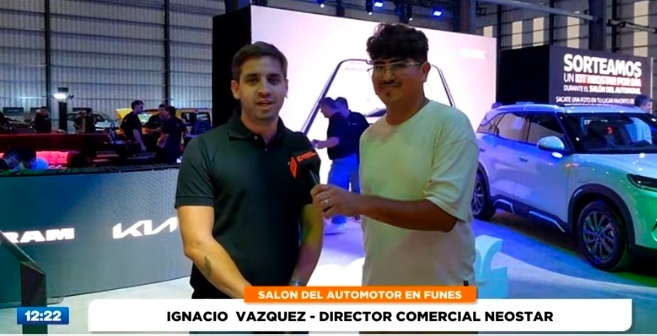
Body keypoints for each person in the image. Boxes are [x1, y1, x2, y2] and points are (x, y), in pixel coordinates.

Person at [310, 23, 478, 287]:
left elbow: (443, 215)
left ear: (424, 71)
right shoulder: (369, 136)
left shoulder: (450, 124)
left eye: (399, 65)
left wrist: (359, 203)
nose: (387, 75)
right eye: (379, 66)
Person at [175, 42, 323, 312]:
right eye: (253, 80)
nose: (264, 89)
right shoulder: (204, 149)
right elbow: (196, 242)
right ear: (236, 89)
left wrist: (295, 290)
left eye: (273, 79)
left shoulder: (300, 147)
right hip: (220, 310)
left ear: (286, 86)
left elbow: (313, 228)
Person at [312, 97, 354, 235]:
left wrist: (318, 144)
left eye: (321, 109)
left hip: (343, 160)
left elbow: (335, 141)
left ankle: (339, 223)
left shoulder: (336, 120)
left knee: (336, 190)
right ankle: (339, 221)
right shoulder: (339, 119)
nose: (321, 112)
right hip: (347, 159)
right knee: (338, 189)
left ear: (326, 106)